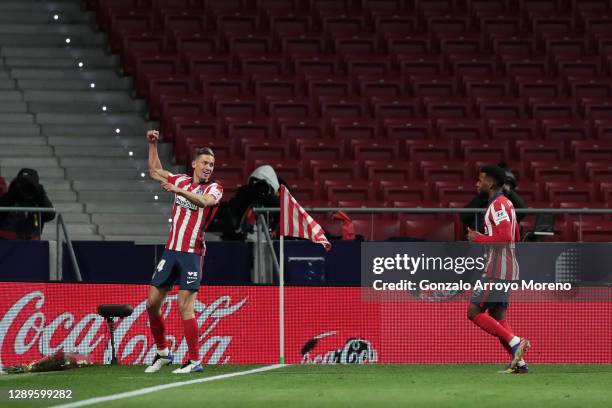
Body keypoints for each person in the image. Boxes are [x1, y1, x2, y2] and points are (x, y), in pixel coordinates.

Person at [144, 130, 223, 374]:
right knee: (151, 304)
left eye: (211, 164)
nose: (208, 167)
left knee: (184, 306)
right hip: (171, 252)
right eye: (205, 163)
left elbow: (205, 202)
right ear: (194, 164)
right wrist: (153, 144)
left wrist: (179, 192)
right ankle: (163, 353)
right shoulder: (181, 180)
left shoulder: (215, 188)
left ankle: (195, 360)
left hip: (192, 253)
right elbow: (155, 172)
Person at [466, 165, 530, 374]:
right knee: (498, 315)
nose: (477, 183)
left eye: (481, 179)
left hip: (498, 269)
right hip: (507, 266)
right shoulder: (506, 204)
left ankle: (515, 342)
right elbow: (516, 236)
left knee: (474, 311)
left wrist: (478, 238)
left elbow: (506, 237)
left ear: (491, 183)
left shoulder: (498, 205)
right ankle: (519, 364)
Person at [461, 163, 526, 233]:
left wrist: (508, 192)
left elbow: (522, 211)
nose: (477, 184)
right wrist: (481, 197)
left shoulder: (507, 203)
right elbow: (464, 217)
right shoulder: (482, 198)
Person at [0, 168, 55, 240]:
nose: (25, 188)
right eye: (22, 184)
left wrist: (41, 194)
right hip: (7, 244)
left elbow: (50, 215)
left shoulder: (38, 202)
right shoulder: (11, 198)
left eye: (29, 186)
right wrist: (11, 194)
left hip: (31, 245)